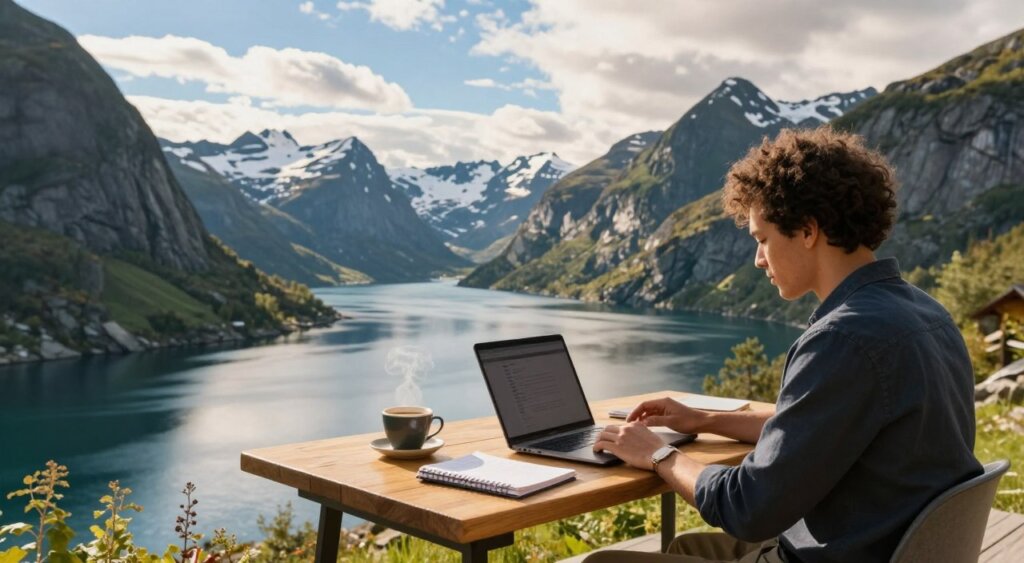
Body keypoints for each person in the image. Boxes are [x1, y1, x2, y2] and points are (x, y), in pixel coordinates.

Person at [588, 127, 982, 562]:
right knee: (689, 548)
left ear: (808, 230)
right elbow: (813, 425)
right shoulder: (928, 314)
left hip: (839, 552)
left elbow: (748, 508)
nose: (758, 259)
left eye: (762, 239)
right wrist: (702, 419)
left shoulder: (841, 339)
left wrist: (658, 453)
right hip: (881, 542)